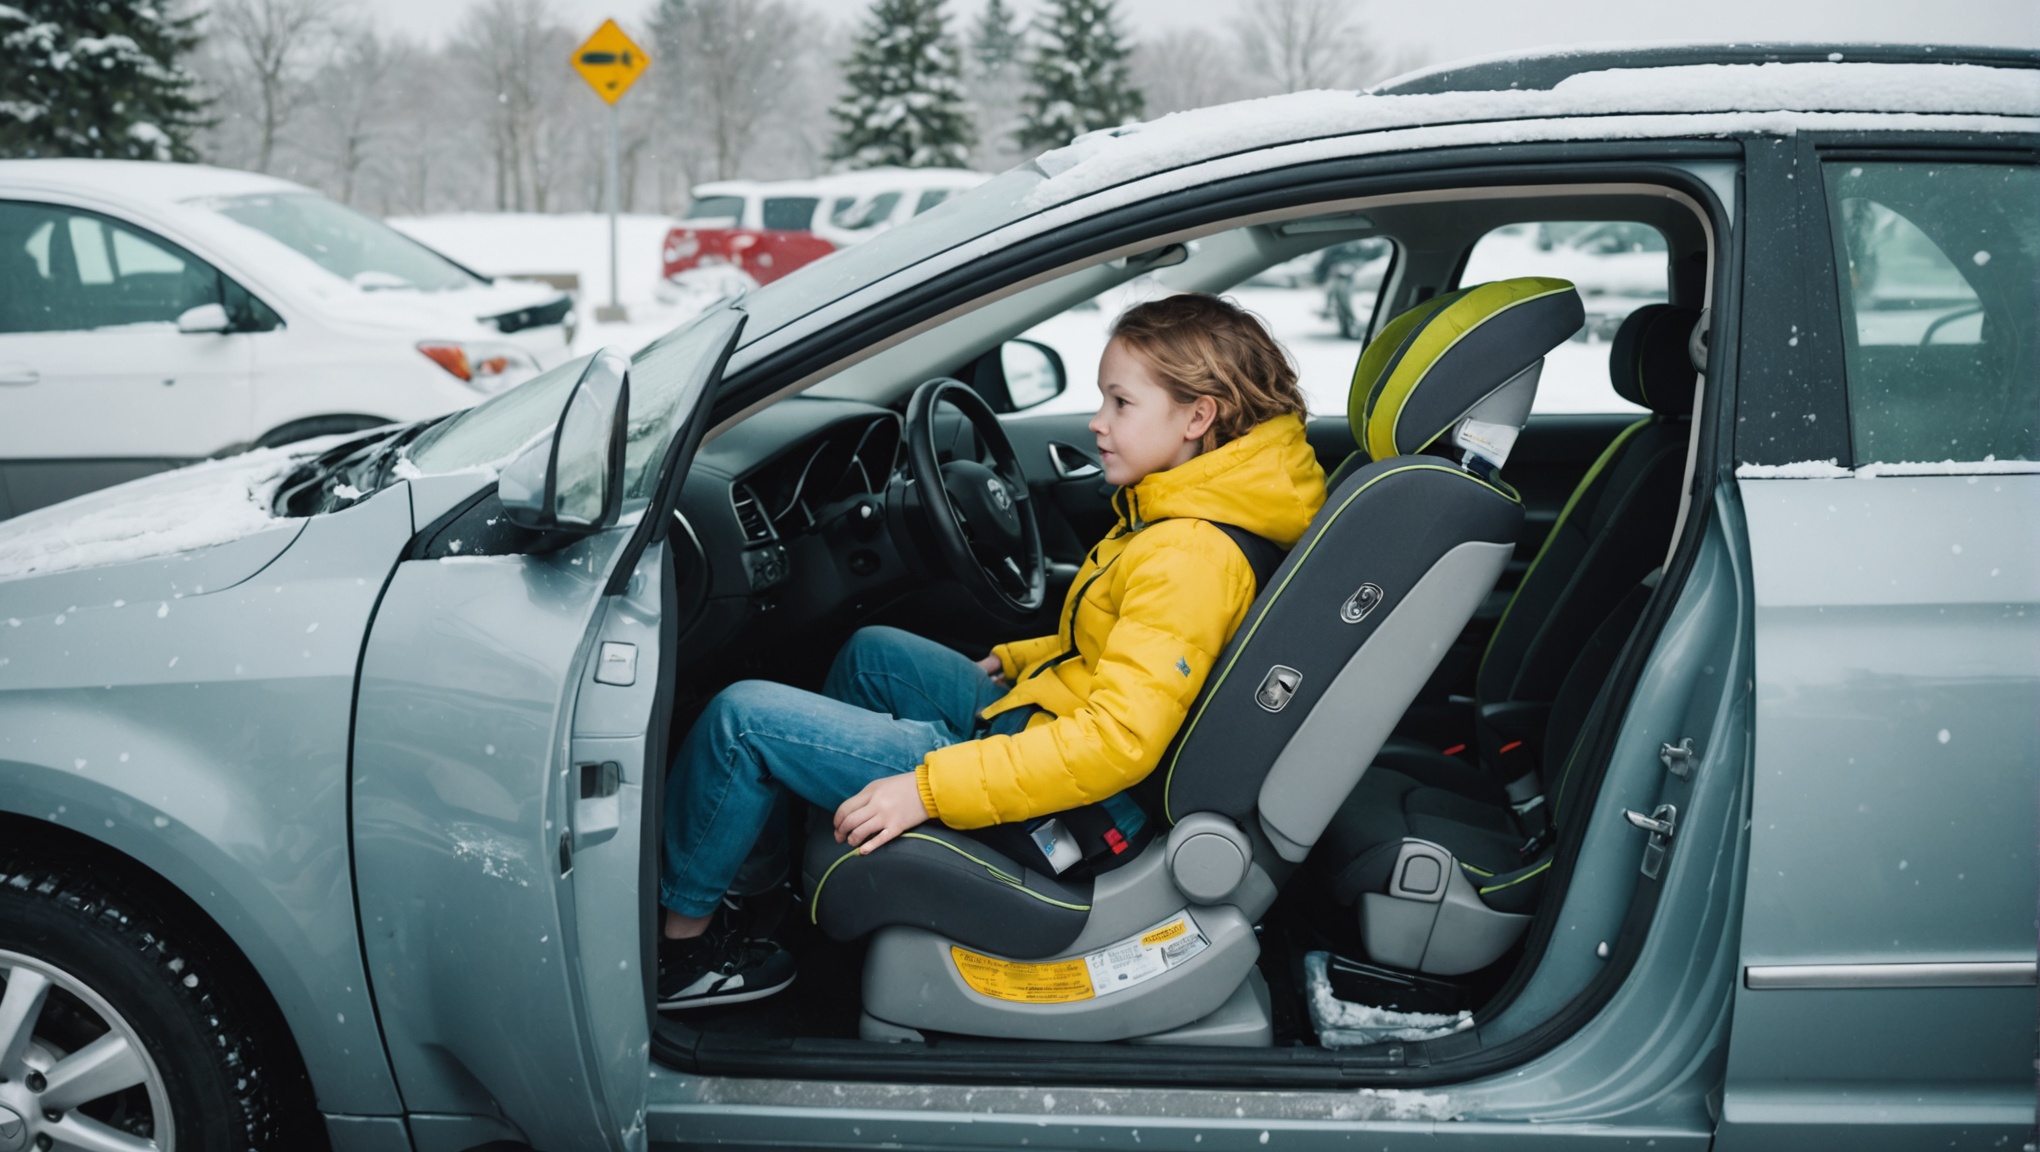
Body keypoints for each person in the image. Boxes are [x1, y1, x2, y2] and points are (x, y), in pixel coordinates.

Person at [656, 293, 1328, 1009]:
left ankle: (689, 951)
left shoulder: (1189, 552)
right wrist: (1019, 658)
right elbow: (1121, 642)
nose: (1099, 423)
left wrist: (925, 790)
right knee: (872, 654)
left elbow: (1116, 742)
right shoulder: (1194, 509)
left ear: (1198, 417)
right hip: (1047, 732)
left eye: (1121, 404)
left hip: (1072, 810)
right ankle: (761, 878)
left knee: (742, 722)